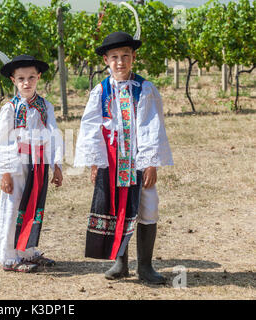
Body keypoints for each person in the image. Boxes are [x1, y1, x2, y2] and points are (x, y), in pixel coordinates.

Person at [74, 32, 173, 284]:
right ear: (106, 60)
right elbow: (91, 126)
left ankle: (146, 266)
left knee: (147, 206)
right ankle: (120, 262)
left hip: (138, 162)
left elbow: (152, 126)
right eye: (115, 57)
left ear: (133, 57)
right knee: (115, 207)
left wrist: (151, 162)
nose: (120, 62)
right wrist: (96, 161)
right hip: (112, 161)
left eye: (125, 56)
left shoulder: (144, 89)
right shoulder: (101, 91)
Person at [0, 55, 64, 273]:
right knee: (14, 208)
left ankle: (27, 250)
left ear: (38, 77)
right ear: (13, 80)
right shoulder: (10, 109)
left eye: (31, 77)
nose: (27, 82)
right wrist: (5, 172)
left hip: (39, 165)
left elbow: (53, 135)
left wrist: (56, 165)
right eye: (21, 78)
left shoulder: (45, 106)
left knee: (34, 207)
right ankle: (9, 256)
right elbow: (0, 141)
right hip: (17, 167)